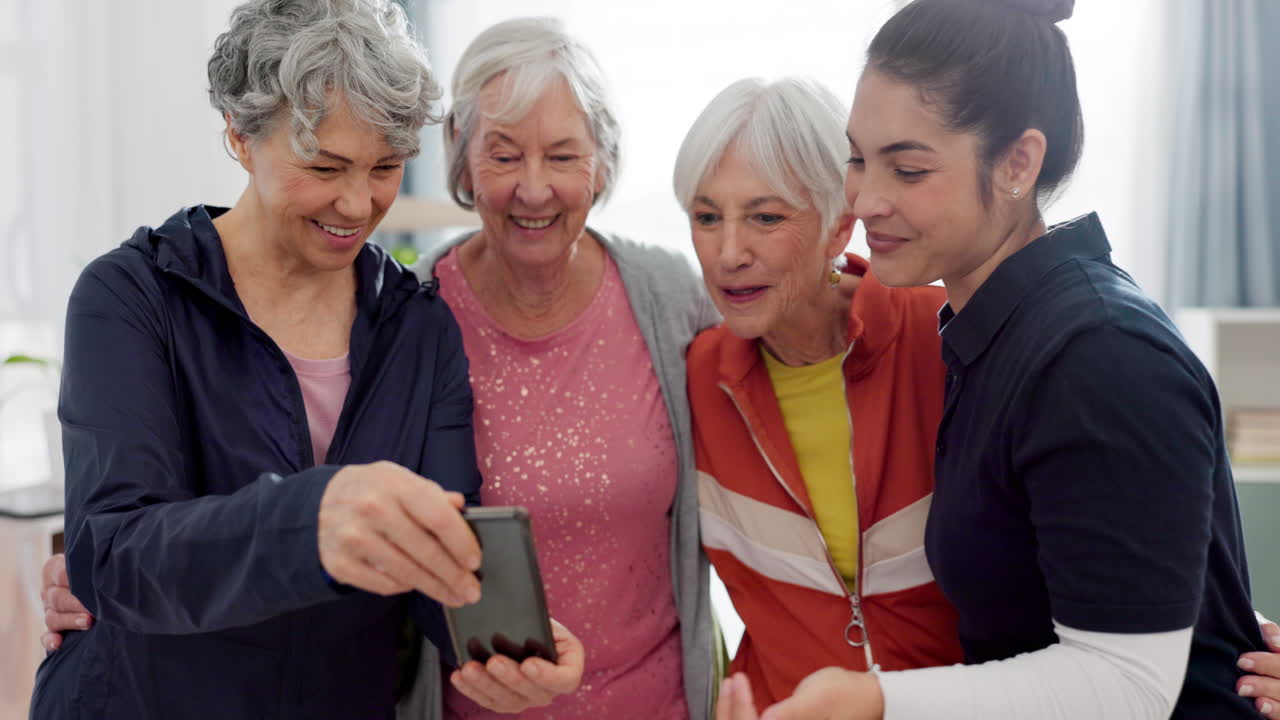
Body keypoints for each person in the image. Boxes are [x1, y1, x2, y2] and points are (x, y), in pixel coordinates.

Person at [716, 0, 1273, 717]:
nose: (865, 200)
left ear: (1017, 162)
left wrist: (873, 700)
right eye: (856, 159)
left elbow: (1128, 684)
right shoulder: (989, 333)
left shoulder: (1097, 356)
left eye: (908, 170)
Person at [28, 2, 582, 718]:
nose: (358, 202)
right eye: (325, 165)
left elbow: (442, 547)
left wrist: (503, 643)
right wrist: (311, 518)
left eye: (386, 166)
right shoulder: (133, 296)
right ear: (239, 135)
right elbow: (115, 555)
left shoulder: (417, 326)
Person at [400, 18, 719, 718]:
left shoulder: (670, 298)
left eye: (563, 156)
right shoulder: (406, 319)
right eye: (504, 155)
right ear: (460, 155)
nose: (534, 189)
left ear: (601, 163)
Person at [675, 76, 963, 712]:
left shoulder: (940, 338)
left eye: (765, 217)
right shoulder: (699, 377)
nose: (728, 253)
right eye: (706, 217)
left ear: (838, 228)